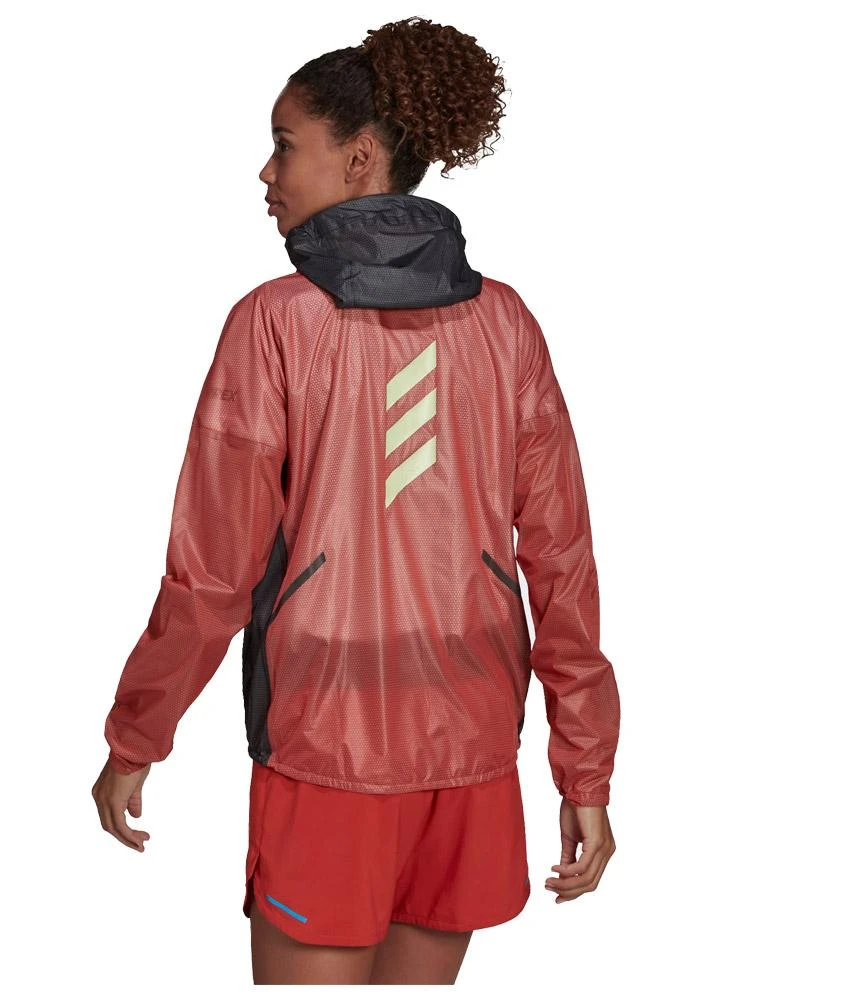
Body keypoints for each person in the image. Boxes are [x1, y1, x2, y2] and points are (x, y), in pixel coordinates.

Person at [91, 16, 621, 986]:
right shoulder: (506, 323)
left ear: (360, 157)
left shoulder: (274, 324)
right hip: (470, 744)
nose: (266, 172)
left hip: (326, 753)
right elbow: (563, 559)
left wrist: (137, 734)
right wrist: (584, 764)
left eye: (284, 144)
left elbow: (211, 573)